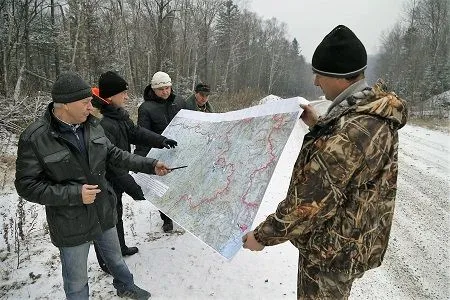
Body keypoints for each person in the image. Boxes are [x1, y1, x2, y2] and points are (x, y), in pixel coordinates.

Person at [242, 25, 408, 299]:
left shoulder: (350, 133)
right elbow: (351, 164)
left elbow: (308, 204)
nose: (316, 82)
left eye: (320, 74)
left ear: (341, 78)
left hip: (330, 254)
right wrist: (320, 126)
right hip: (347, 244)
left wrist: (261, 237)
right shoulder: (371, 114)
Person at [14, 72, 172, 300]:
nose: (91, 107)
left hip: (103, 210)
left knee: (116, 259)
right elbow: (26, 185)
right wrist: (74, 194)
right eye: (86, 102)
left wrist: (151, 164)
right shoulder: (35, 138)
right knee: (76, 282)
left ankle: (125, 285)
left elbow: (115, 155)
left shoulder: (93, 126)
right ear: (65, 105)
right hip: (70, 222)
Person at [91, 71, 178, 274]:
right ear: (111, 96)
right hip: (105, 180)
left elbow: (135, 132)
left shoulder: (118, 115)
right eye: (123, 93)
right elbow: (112, 160)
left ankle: (119, 247)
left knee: (117, 213)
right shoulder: (104, 123)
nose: (127, 97)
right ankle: (106, 261)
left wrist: (160, 140)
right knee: (106, 219)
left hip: (117, 176)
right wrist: (130, 184)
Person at [135, 71, 184, 232]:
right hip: (159, 152)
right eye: (161, 88)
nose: (165, 91)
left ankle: (181, 212)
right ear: (154, 89)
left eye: (168, 87)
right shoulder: (146, 108)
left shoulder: (180, 101)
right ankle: (166, 218)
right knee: (163, 187)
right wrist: (140, 159)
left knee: (180, 184)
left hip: (179, 149)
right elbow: (142, 134)